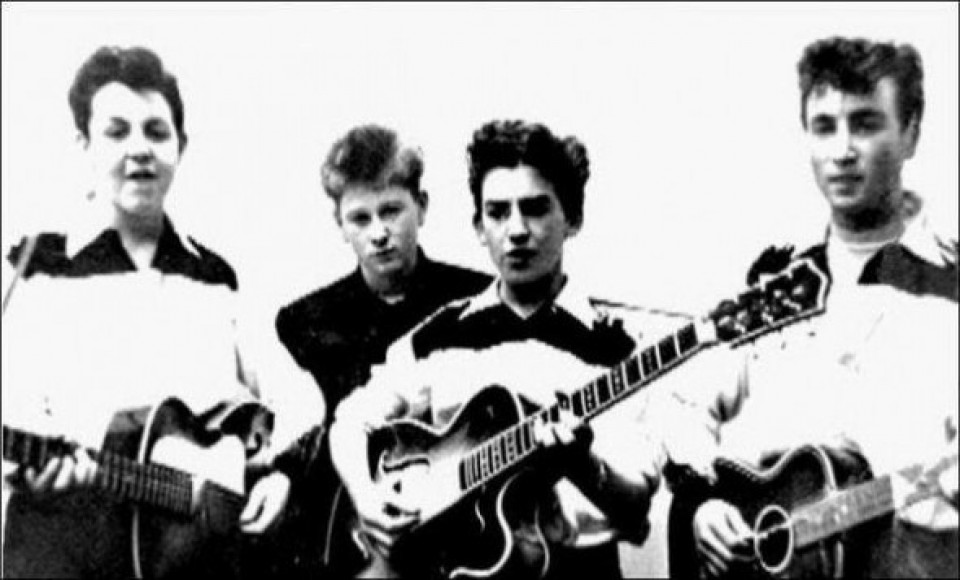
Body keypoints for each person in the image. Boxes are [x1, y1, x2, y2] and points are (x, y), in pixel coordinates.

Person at [662, 36, 959, 579]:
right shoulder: (777, 284)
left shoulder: (951, 284)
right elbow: (681, 402)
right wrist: (701, 503)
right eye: (824, 127)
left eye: (865, 124)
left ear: (911, 132)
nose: (842, 151)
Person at [329, 120, 663, 579]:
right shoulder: (437, 336)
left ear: (573, 218)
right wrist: (367, 499)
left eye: (535, 209)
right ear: (479, 227)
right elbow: (350, 421)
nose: (517, 230)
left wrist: (583, 465)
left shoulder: (618, 350)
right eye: (498, 212)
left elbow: (636, 506)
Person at [0, 45, 283, 578]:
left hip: (196, 563)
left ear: (181, 145)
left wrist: (277, 475)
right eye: (116, 132)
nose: (140, 150)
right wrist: (25, 466)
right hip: (65, 554)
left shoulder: (216, 279)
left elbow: (292, 399)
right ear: (83, 144)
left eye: (156, 132)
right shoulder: (31, 270)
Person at [252, 124, 492, 577]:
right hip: (339, 540)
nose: (379, 233)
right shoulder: (303, 322)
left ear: (422, 207)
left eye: (392, 211)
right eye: (360, 219)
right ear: (340, 225)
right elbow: (303, 439)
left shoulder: (474, 302)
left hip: (453, 534)